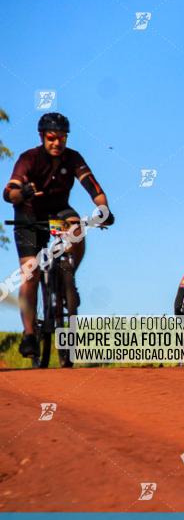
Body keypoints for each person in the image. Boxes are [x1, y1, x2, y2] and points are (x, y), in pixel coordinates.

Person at [3, 112, 115, 358]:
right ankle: (30, 334)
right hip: (28, 214)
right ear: (42, 137)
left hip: (59, 210)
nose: (57, 143)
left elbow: (93, 187)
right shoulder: (29, 159)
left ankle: (68, 278)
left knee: (78, 228)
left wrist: (103, 209)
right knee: (30, 273)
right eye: (52, 138)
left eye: (62, 138)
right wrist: (22, 193)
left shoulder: (73, 158)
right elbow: (8, 192)